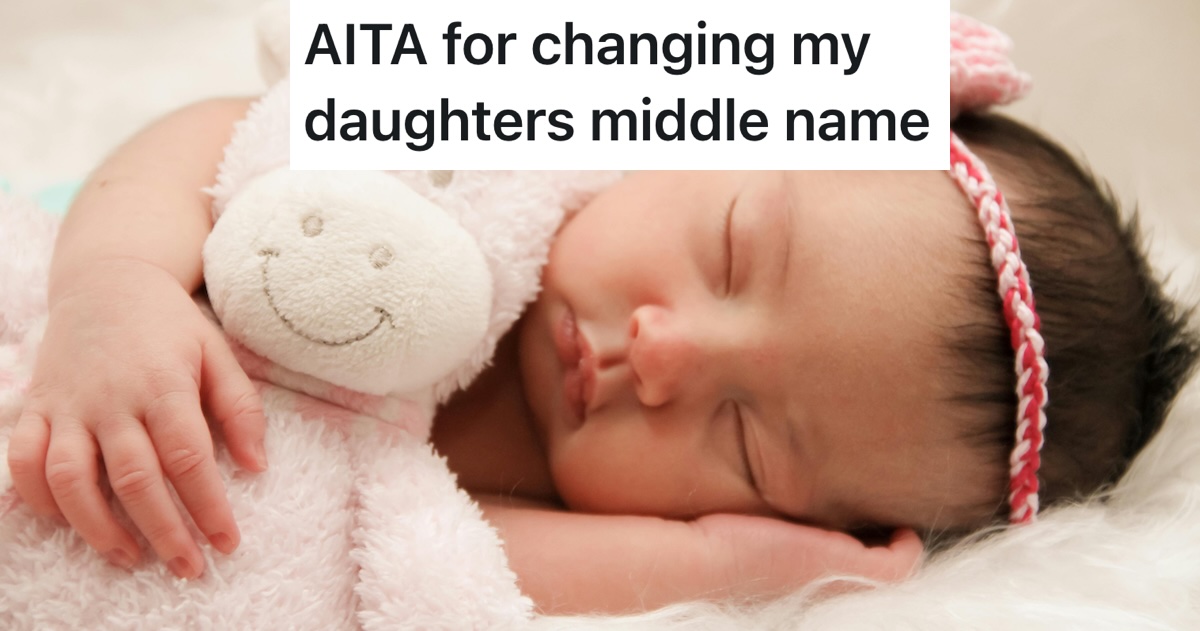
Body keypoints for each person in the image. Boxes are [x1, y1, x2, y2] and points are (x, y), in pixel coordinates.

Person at [4, 93, 1197, 614]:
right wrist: (116, 284)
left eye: (745, 439)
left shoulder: (544, 497)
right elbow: (219, 136)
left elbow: (444, 561)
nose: (664, 354)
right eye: (732, 250)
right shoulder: (469, 184)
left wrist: (730, 564)